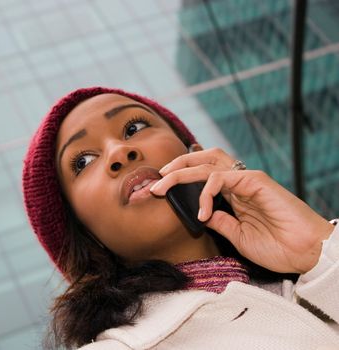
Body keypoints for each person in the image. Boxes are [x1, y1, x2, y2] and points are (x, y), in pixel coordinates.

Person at [22, 87, 339, 349]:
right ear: (84, 232)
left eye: (134, 128)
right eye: (84, 161)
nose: (120, 152)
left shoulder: (318, 271)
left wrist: (317, 249)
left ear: (198, 155)